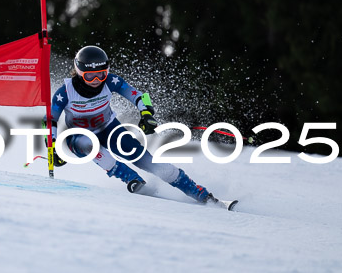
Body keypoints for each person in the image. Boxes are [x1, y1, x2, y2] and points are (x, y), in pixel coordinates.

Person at [46, 45, 215, 203]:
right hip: (79, 136)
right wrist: (52, 145)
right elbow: (50, 119)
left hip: (108, 128)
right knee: (87, 144)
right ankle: (132, 179)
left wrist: (146, 113)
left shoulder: (111, 82)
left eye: (101, 74)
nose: (96, 80)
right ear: (79, 71)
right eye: (90, 75)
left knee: (141, 156)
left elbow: (139, 96)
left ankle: (198, 192)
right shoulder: (65, 93)